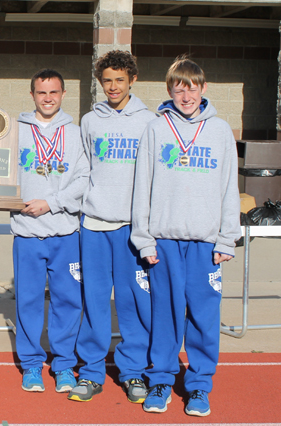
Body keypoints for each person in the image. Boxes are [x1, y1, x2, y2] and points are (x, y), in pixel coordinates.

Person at [131, 55, 241, 416]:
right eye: (179, 86)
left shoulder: (221, 130)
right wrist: (144, 238)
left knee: (204, 317)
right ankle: (161, 380)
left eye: (192, 86)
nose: (186, 93)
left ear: (204, 89)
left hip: (206, 244)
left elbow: (229, 188)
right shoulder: (156, 128)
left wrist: (227, 239)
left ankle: (198, 385)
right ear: (170, 89)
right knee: (165, 314)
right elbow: (142, 186)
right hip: (165, 241)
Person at [70, 50, 156, 404]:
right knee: (94, 300)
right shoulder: (90, 120)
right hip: (94, 225)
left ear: (132, 80)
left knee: (133, 302)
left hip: (131, 229)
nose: (113, 86)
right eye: (107, 80)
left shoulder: (149, 121)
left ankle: (133, 370)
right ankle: (91, 372)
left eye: (120, 79)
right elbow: (85, 169)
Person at [12, 69, 89, 394]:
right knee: (28, 301)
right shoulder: (15, 132)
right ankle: (31, 365)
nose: (47, 98)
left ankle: (64, 365)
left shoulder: (75, 134)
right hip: (26, 233)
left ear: (63, 94)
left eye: (53, 92)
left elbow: (84, 179)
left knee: (68, 301)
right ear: (32, 95)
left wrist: (52, 203)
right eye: (42, 93)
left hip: (64, 233)